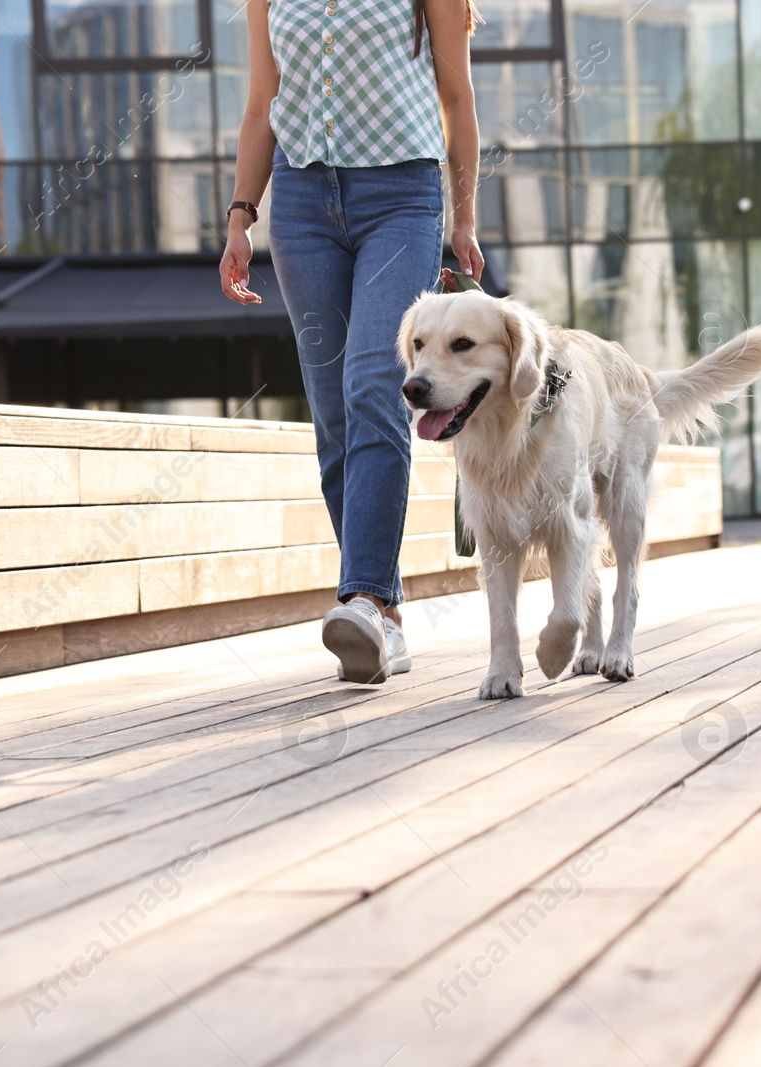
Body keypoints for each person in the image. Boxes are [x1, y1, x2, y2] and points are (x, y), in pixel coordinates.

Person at [220, 0, 484, 683]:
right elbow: (261, 104)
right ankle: (385, 616)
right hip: (303, 208)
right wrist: (240, 218)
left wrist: (465, 218)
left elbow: (456, 96)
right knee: (334, 411)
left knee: (374, 382)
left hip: (402, 197)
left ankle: (363, 598)